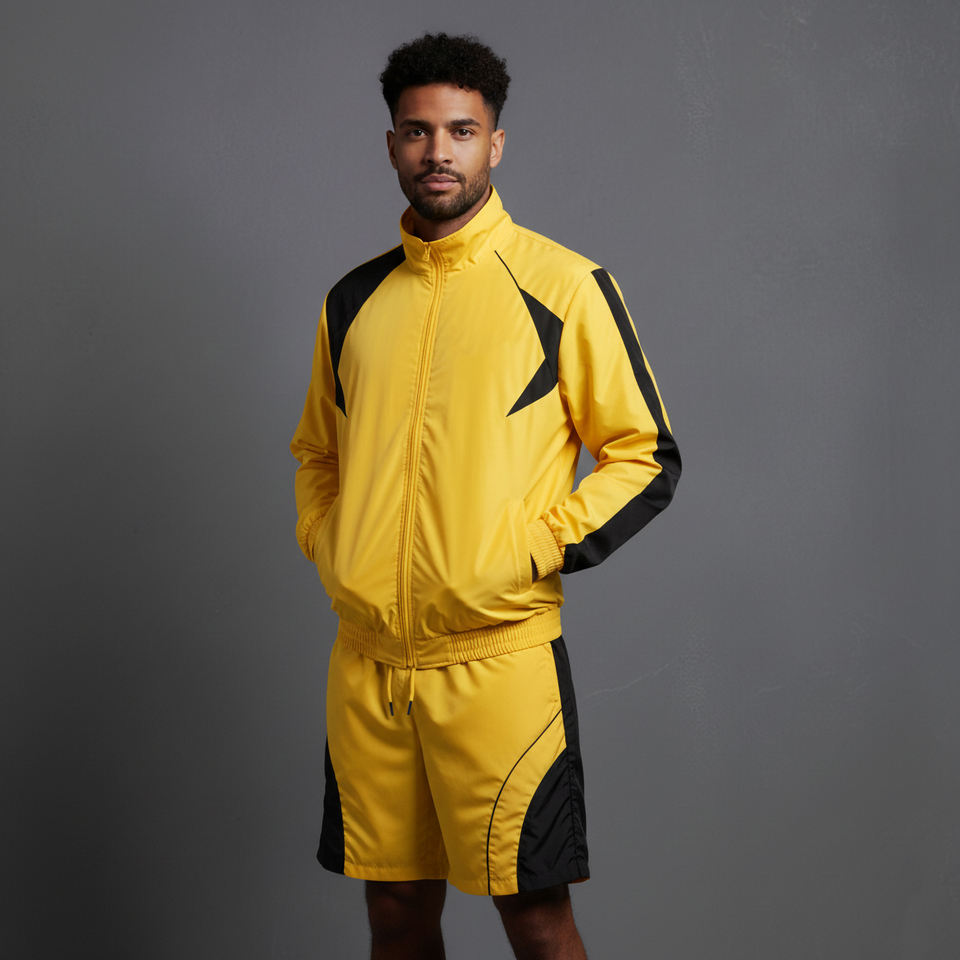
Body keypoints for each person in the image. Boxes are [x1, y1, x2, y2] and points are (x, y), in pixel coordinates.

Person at [290, 32, 681, 960]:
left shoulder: (563, 286)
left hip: (498, 664)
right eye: (418, 131)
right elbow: (317, 454)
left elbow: (646, 454)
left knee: (534, 919)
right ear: (392, 144)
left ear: (495, 144)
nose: (439, 152)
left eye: (461, 131)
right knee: (394, 913)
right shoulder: (353, 301)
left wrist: (531, 550)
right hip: (371, 667)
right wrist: (334, 546)